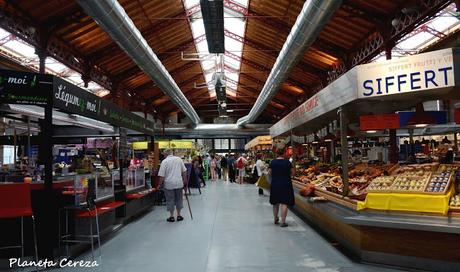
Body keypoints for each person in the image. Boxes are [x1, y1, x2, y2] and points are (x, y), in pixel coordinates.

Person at [157, 149, 187, 222]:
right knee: (179, 199)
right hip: (178, 183)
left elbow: (161, 175)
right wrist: (184, 181)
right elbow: (184, 171)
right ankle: (179, 215)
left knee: (170, 200)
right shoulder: (179, 159)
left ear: (165, 155)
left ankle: (171, 216)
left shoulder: (164, 162)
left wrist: (159, 184)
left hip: (169, 184)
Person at [269, 148, 295, 227]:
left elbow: (270, 173)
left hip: (275, 183)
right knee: (284, 203)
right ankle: (283, 222)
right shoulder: (287, 162)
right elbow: (293, 173)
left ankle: (275, 219)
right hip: (285, 183)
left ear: (276, 153)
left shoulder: (272, 162)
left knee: (275, 202)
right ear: (284, 153)